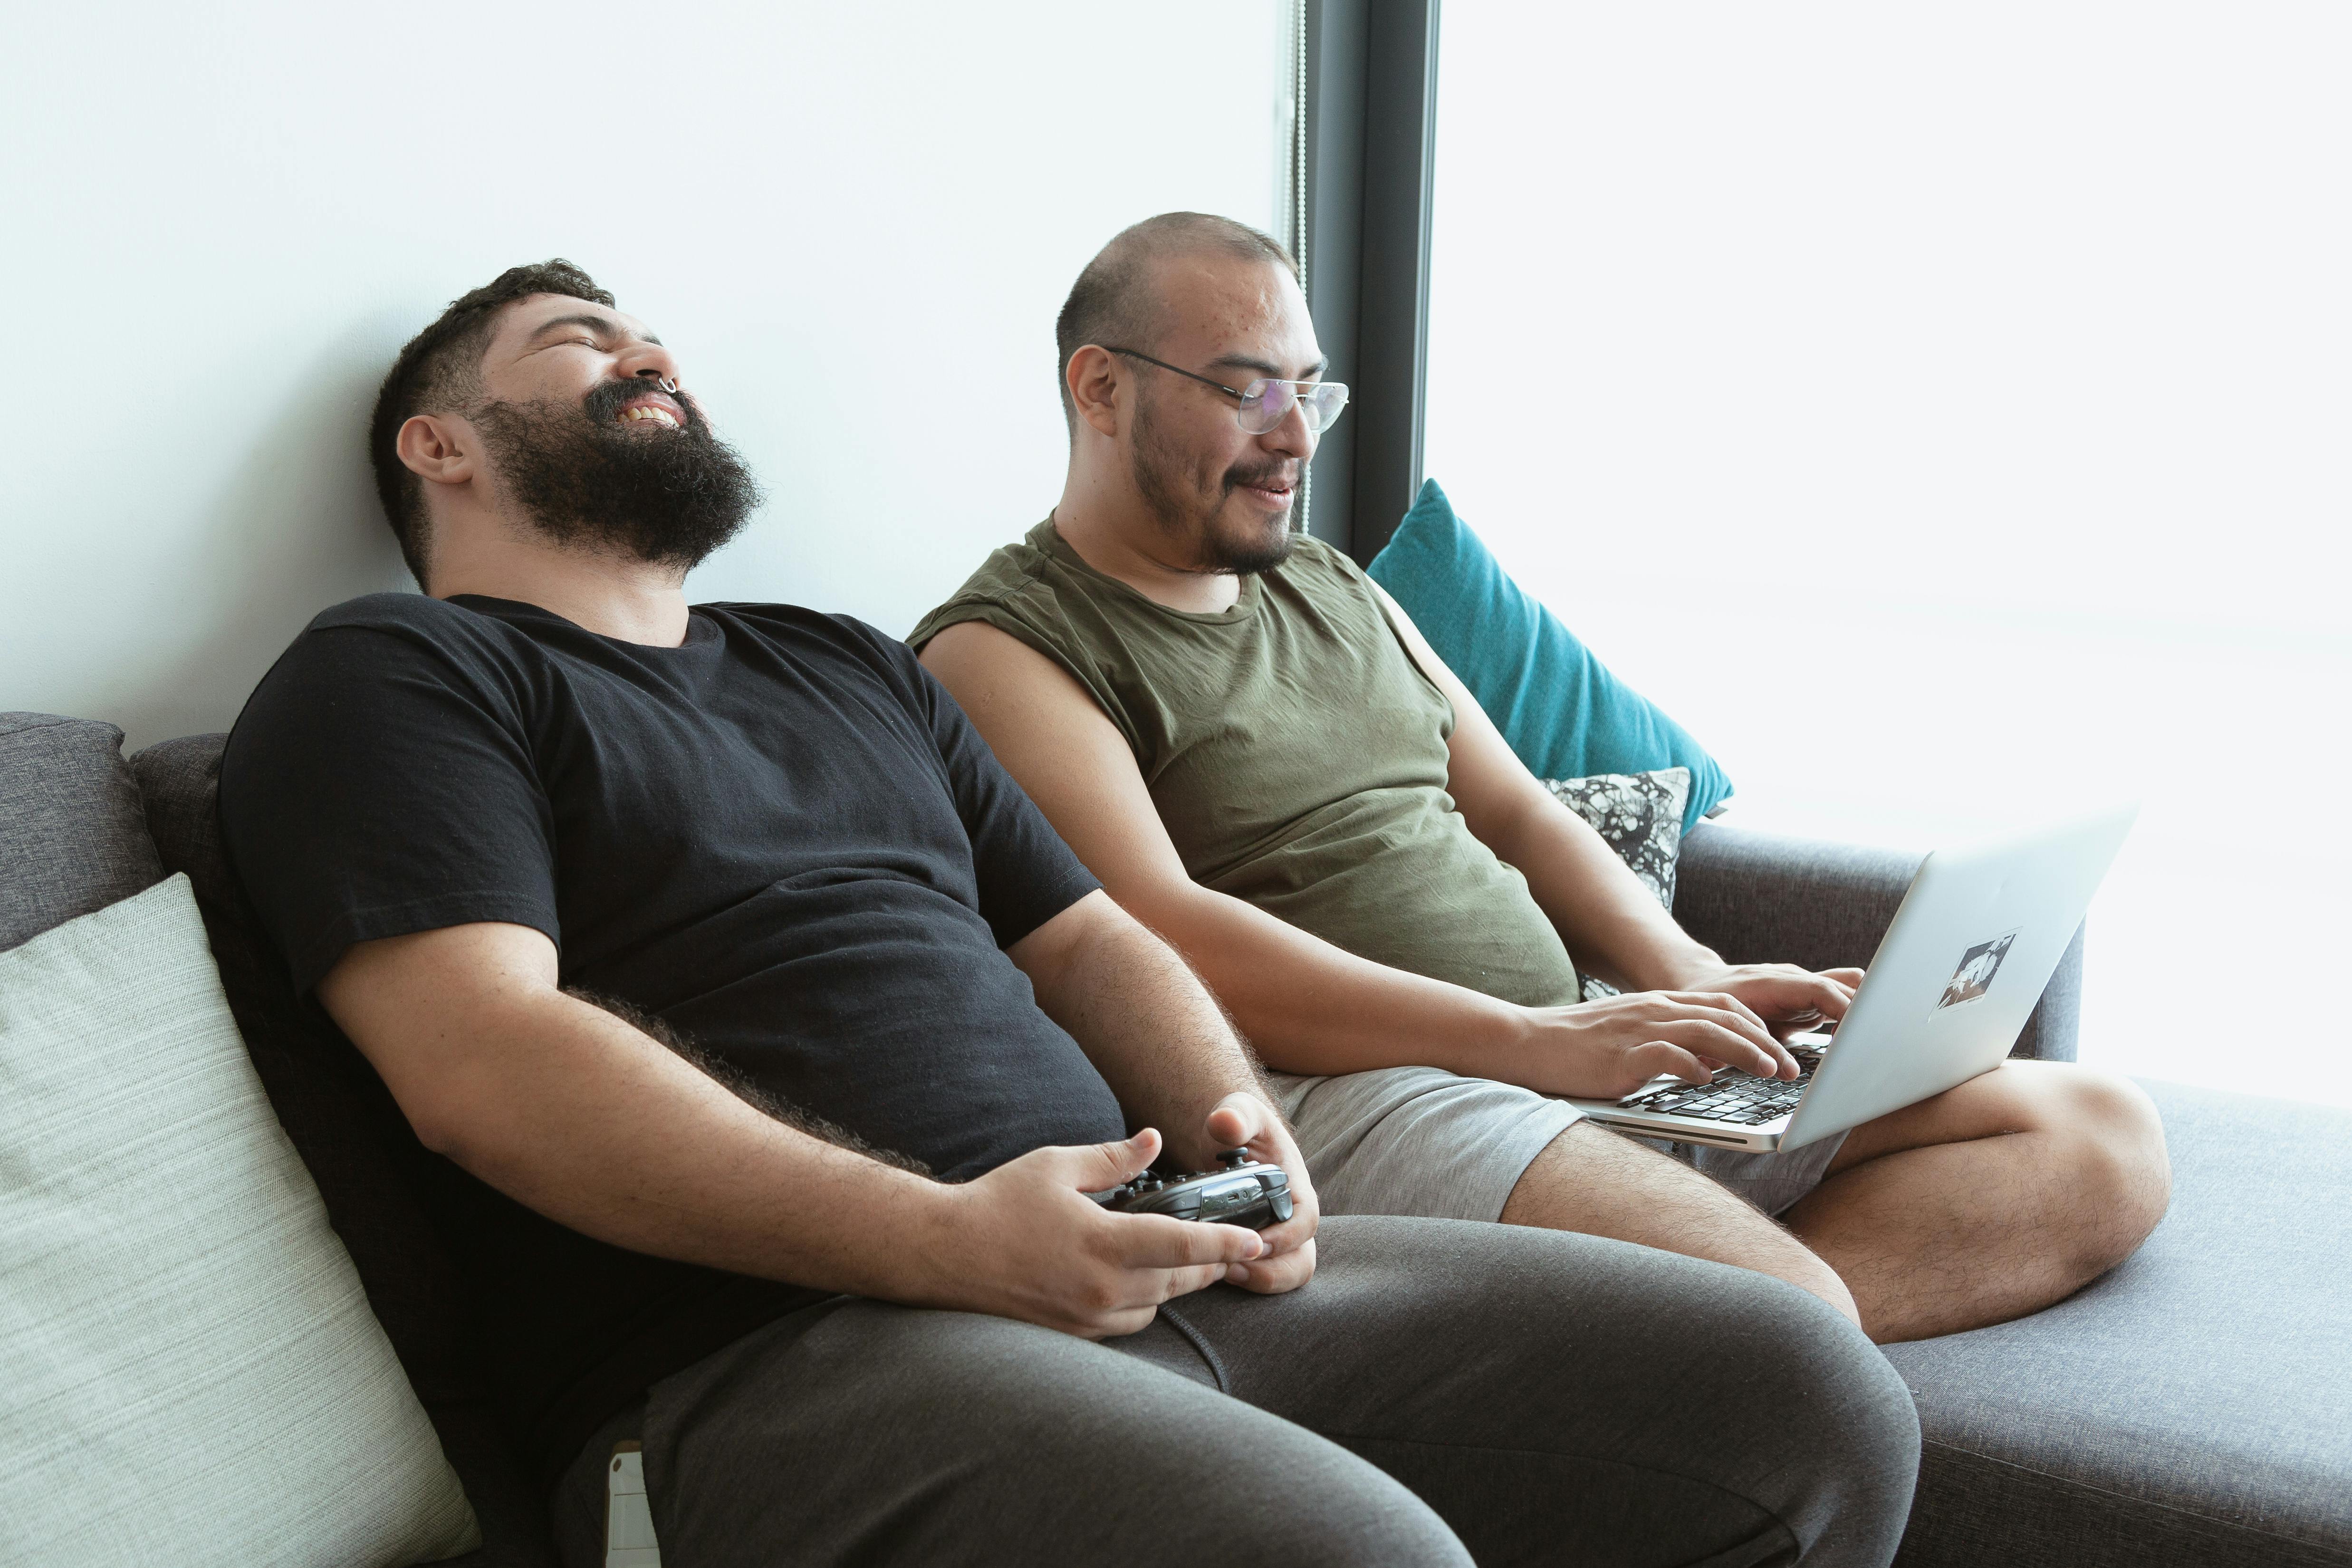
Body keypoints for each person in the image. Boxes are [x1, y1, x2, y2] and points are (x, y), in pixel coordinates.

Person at [219, 260, 1920, 1568]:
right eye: (585, 341)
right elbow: (483, 1059)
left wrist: (1236, 1129)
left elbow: (1096, 936)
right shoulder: (395, 677)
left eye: (655, 333)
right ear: (437, 444)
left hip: (1149, 1260)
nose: (653, 354)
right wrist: (949, 1237)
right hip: (768, 1363)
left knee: (1806, 1395)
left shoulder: (843, 660)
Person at [911, 212, 2174, 1345]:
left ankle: (1679, 1348)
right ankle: (1758, 1334)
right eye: (1248, 392)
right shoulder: (1005, 648)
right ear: (1101, 388)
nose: (1294, 436)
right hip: (1367, 1096)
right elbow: (1157, 933)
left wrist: (1688, 976)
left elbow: (1516, 808)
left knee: (2105, 1136)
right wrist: (1540, 1042)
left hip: (1570, 1053)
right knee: (1786, 1317)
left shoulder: (1335, 587)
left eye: (1310, 390)